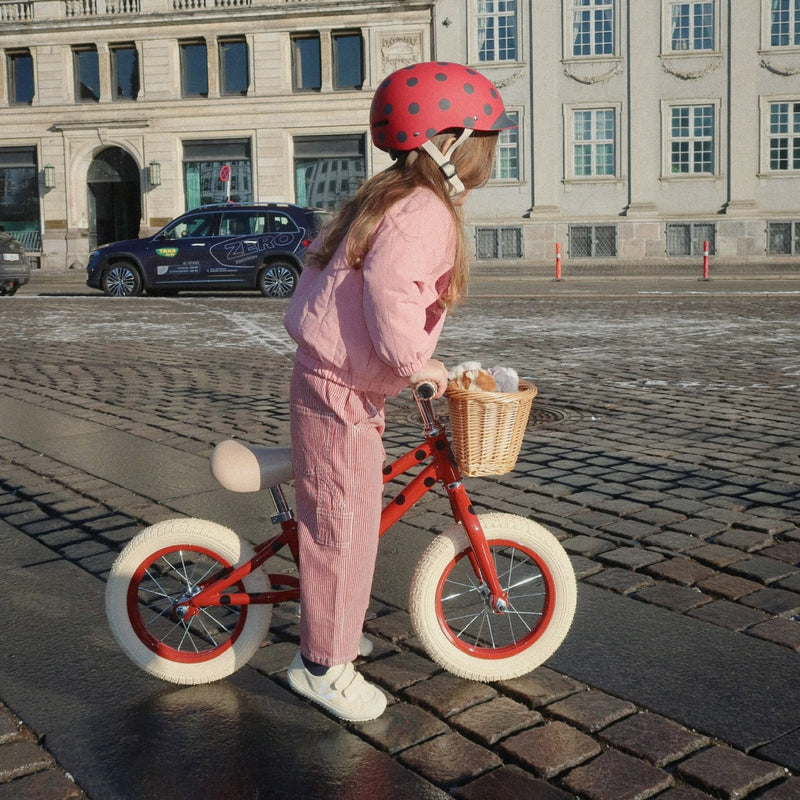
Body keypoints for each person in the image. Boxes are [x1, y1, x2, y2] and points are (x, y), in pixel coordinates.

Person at [283, 61, 516, 722]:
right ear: (450, 142)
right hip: (340, 391)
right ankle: (322, 667)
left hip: (338, 381)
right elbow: (392, 292)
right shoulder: (425, 212)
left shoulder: (388, 197)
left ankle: (333, 632)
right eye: (485, 143)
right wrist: (417, 363)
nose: (489, 157)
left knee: (349, 520)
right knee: (342, 529)